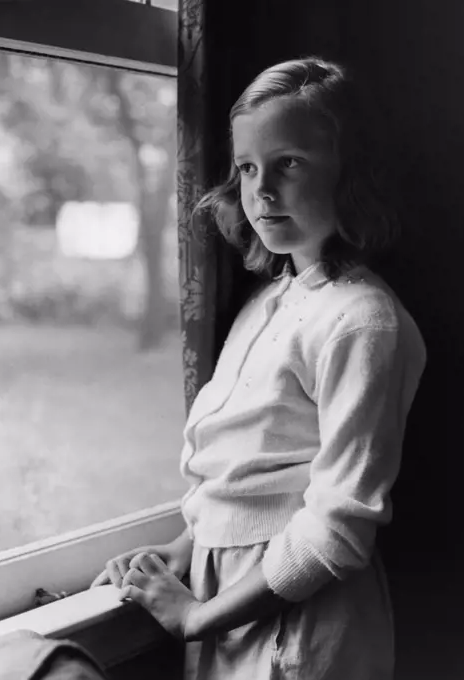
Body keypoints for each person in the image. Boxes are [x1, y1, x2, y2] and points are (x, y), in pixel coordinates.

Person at [91, 57, 427, 679]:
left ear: (351, 172)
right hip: (225, 601)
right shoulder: (267, 303)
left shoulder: (363, 321)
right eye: (248, 167)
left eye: (289, 163)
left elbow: (338, 530)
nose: (261, 189)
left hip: (298, 622)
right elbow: (243, 480)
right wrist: (179, 553)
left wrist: (197, 617)